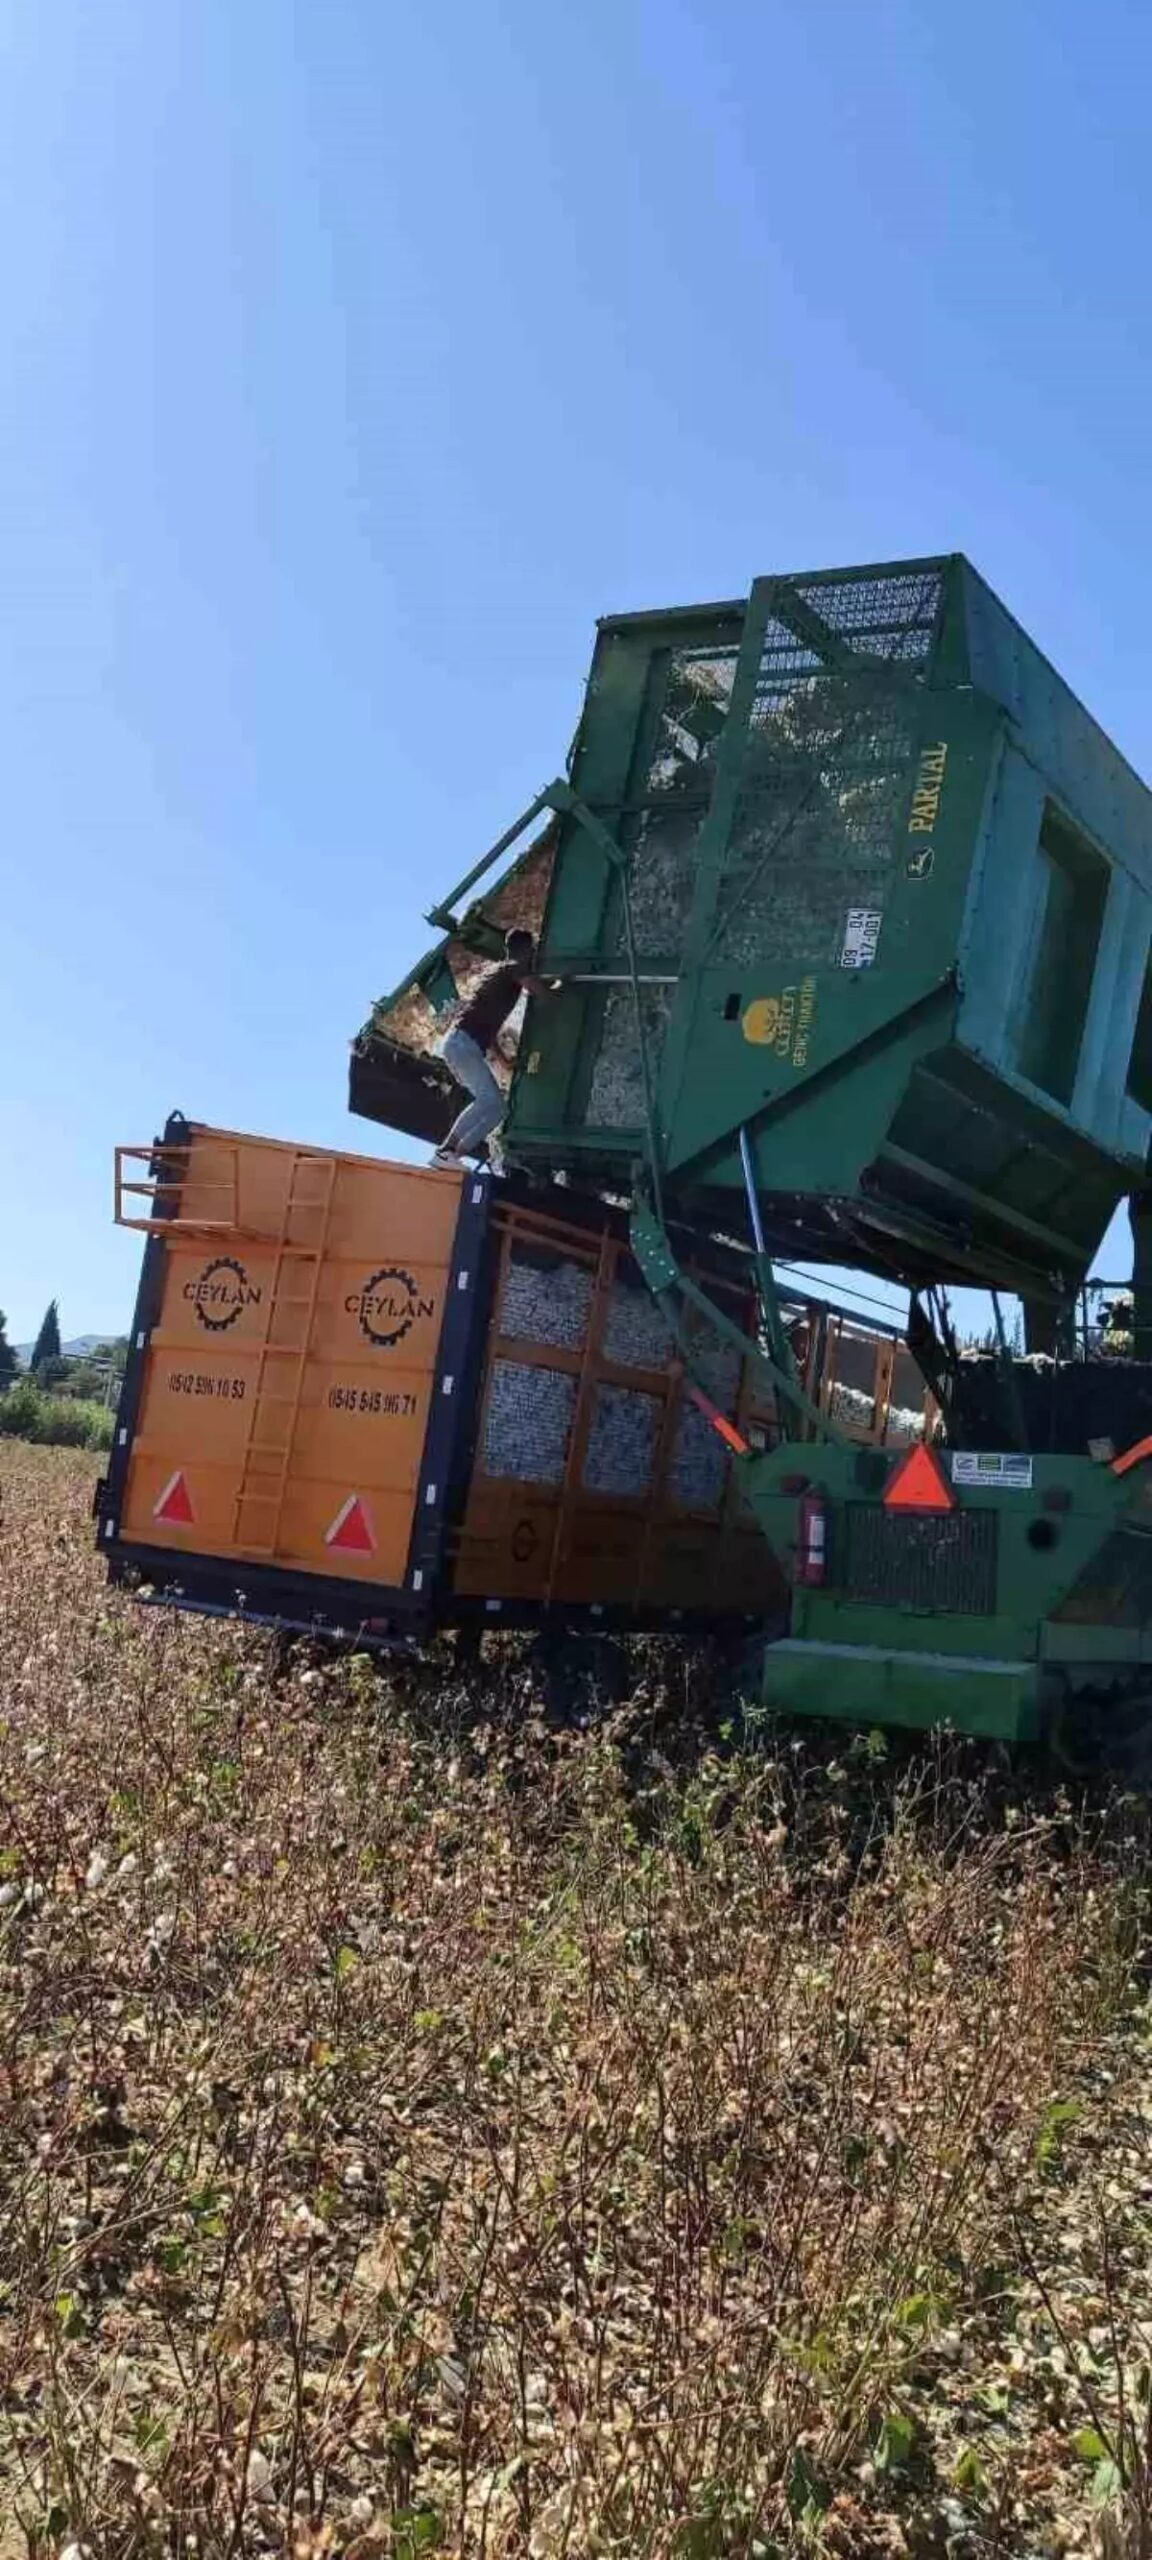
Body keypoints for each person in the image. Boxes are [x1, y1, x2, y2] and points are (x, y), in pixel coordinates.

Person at [430, 928, 553, 1172]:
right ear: (527, 949)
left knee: (498, 1108)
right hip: (461, 1043)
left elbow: (489, 1023)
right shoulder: (513, 967)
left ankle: (453, 1155)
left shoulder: (500, 974)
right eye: (533, 950)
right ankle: (445, 1151)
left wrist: (503, 1058)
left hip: (463, 1044)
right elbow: (540, 992)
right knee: (487, 1099)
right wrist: (560, 985)